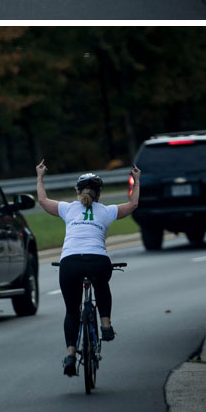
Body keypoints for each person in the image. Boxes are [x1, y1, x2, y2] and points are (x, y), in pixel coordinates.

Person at [35, 158, 140, 377]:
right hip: (98, 260)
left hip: (70, 262)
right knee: (102, 286)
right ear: (99, 194)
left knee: (72, 311)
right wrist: (136, 181)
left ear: (77, 192)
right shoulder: (107, 210)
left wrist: (40, 177)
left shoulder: (67, 208)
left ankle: (71, 354)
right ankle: (106, 324)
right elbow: (133, 205)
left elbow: (43, 200)